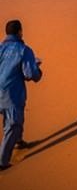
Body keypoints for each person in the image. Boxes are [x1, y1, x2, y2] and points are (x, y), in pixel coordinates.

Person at [0, 20, 42, 170]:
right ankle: (2, 162)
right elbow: (30, 74)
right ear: (19, 32)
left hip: (3, 92)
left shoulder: (0, 48)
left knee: (13, 115)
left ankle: (19, 141)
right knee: (13, 123)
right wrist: (37, 68)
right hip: (11, 93)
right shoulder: (24, 50)